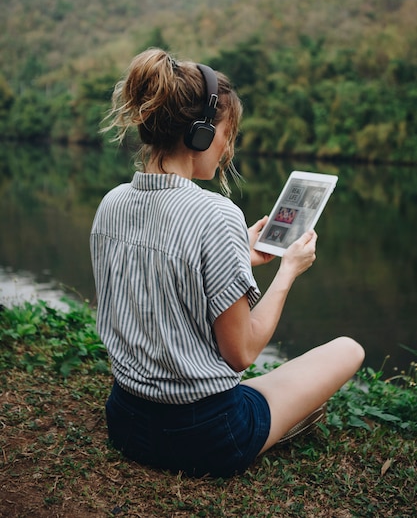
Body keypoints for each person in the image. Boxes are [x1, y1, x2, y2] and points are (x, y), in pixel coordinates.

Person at [90, 48, 365, 478]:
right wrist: (287, 271)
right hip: (207, 438)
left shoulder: (112, 204)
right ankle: (282, 425)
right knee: (349, 349)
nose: (227, 146)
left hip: (125, 421)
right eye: (225, 133)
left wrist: (237, 256)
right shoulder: (216, 214)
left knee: (261, 389)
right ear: (200, 133)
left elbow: (162, 280)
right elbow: (242, 353)